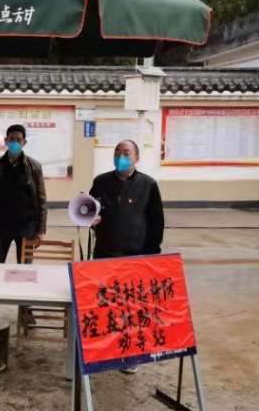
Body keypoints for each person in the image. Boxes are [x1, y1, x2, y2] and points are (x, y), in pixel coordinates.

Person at [89, 139, 164, 374]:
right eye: (117, 152)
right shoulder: (101, 181)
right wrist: (91, 220)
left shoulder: (148, 185)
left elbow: (157, 222)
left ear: (136, 158)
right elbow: (89, 211)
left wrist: (152, 254)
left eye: (126, 153)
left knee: (131, 308)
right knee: (105, 304)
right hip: (104, 253)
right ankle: (104, 351)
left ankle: (131, 355)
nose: (121, 157)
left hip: (135, 255)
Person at [0, 124, 47, 318]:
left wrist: (40, 230)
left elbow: (41, 200)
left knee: (25, 272)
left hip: (26, 228)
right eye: (11, 139)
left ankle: (26, 311)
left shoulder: (34, 167)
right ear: (6, 141)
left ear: (24, 142)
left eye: (18, 140)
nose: (15, 143)